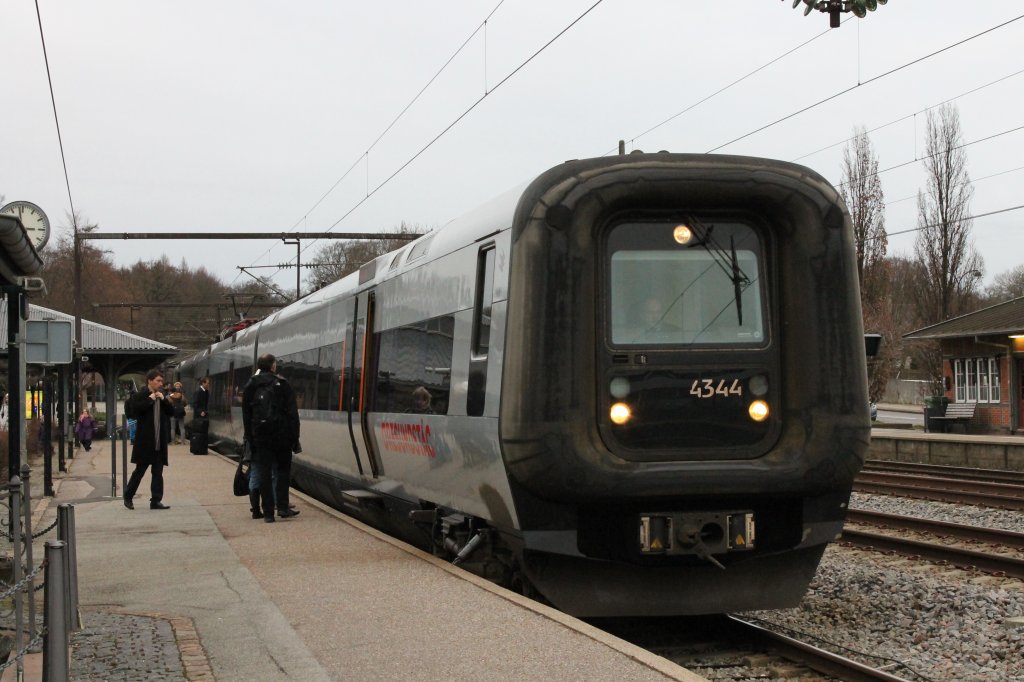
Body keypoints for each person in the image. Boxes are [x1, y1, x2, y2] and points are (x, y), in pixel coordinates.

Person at [242, 354, 300, 523]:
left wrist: (250, 437)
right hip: (282, 436)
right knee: (282, 472)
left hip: (261, 436)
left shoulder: (251, 385)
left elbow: (247, 415)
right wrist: (295, 438)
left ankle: (268, 513)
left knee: (264, 473)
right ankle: (282, 507)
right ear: (273, 366)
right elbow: (292, 414)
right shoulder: (282, 383)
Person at [123, 368, 174, 510]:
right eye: (158, 381)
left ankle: (156, 500)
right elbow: (134, 411)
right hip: (145, 442)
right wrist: (149, 400)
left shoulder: (161, 396)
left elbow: (172, 412)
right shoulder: (140, 395)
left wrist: (164, 400)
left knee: (158, 473)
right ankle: (128, 496)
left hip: (159, 442)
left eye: (161, 381)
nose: (160, 383)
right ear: (150, 381)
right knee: (139, 471)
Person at [190, 377, 210, 455]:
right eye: (207, 383)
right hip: (199, 416)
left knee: (204, 432)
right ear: (203, 383)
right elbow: (195, 404)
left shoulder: (206, 392)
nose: (208, 384)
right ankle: (199, 448)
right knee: (199, 432)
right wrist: (200, 411)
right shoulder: (198, 392)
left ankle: (203, 449)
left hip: (204, 415)